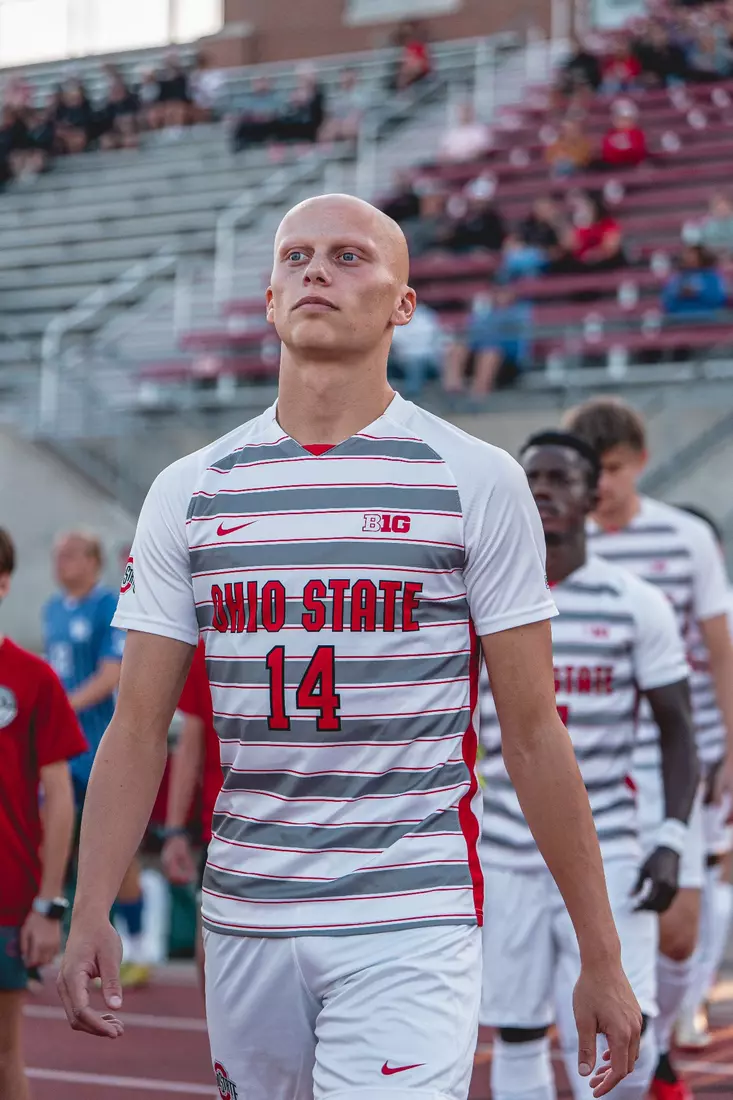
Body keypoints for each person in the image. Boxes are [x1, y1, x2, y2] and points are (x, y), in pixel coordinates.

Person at [58, 193, 642, 1100]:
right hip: (246, 911)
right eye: (295, 257)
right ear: (266, 299)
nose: (316, 272)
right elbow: (139, 727)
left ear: (404, 304)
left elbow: (532, 733)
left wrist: (599, 955)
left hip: (409, 910)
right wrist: (92, 903)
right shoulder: (188, 488)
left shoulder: (476, 481)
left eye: (347, 256)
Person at [480, 431, 698, 1100]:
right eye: (532, 479)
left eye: (560, 478)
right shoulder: (481, 601)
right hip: (505, 852)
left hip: (608, 847)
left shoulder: (635, 602)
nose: (543, 490)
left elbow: (677, 729)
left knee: (623, 1035)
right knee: (515, 1037)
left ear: (591, 494)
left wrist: (670, 840)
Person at [564, 397, 733, 1100]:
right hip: (592, 765)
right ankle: (652, 1052)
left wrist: (728, 744)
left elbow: (719, 652)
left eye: (609, 469)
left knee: (678, 933)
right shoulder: (567, 545)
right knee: (614, 919)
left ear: (638, 463)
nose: (598, 484)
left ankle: (658, 1033)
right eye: (587, 470)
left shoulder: (683, 537)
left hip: (677, 755)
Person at [0, 528, 87, 1100]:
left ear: (3, 583)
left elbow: (60, 796)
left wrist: (48, 905)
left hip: (7, 899)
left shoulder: (32, 678)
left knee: (4, 1054)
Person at [43, 532, 148, 989]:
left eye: (68, 555)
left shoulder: (110, 605)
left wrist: (59, 707)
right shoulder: (51, 609)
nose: (60, 563)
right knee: (52, 837)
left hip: (100, 746)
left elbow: (111, 675)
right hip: (61, 751)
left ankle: (140, 944)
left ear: (92, 559)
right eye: (56, 556)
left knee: (116, 849)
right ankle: (48, 931)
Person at [674, 505, 733, 1051]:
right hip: (652, 758)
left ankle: (692, 1000)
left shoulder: (724, 612)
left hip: (710, 758)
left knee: (710, 874)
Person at [161, 640, 221, 992]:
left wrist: (175, 831)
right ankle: (218, 1042)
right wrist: (174, 830)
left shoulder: (213, 640)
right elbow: (190, 743)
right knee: (212, 945)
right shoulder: (210, 643)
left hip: (230, 823)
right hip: (227, 826)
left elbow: (189, 745)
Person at [443, 286, 533, 398]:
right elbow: (473, 333)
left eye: (504, 293)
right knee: (457, 348)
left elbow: (514, 338)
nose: (501, 296)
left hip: (507, 359)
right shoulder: (484, 313)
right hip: (479, 352)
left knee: (490, 352)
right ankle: (453, 389)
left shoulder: (518, 313)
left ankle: (478, 393)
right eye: (498, 293)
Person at [552, 191, 625, 275]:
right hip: (580, 268)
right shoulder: (576, 228)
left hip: (605, 267)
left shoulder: (608, 224)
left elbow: (611, 248)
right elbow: (569, 246)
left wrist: (594, 254)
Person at [662, 245, 728, 317]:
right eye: (687, 255)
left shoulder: (711, 276)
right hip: (678, 318)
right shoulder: (677, 278)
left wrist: (698, 293)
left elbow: (718, 300)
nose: (687, 258)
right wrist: (679, 293)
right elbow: (667, 302)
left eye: (692, 255)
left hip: (706, 318)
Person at [318, 68, 367, 145]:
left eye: (348, 79)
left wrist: (341, 124)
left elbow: (357, 115)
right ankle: (326, 155)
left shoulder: (360, 95)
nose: (345, 81)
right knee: (324, 131)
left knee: (349, 128)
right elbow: (329, 116)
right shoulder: (337, 96)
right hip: (339, 124)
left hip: (355, 124)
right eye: (343, 78)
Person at [601, 99, 648, 169]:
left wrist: (623, 152)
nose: (623, 123)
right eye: (620, 119)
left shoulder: (637, 134)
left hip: (632, 166)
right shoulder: (610, 135)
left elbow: (638, 152)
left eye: (626, 119)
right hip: (614, 166)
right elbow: (608, 154)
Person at [698, 192, 733, 258]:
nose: (722, 210)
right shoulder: (706, 224)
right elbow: (704, 243)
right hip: (712, 257)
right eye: (719, 207)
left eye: (725, 207)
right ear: (713, 209)